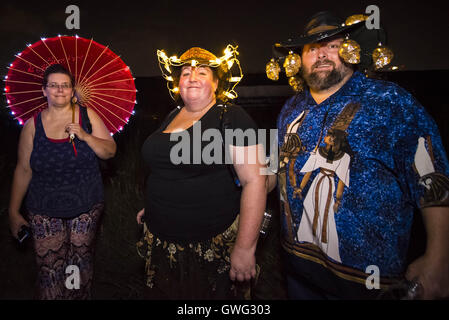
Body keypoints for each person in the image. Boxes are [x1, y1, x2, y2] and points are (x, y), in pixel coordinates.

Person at [267, 11, 449, 299]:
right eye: (312, 48)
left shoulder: (390, 101)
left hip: (370, 284)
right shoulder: (290, 109)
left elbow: (431, 177)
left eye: (332, 45)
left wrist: (440, 257)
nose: (322, 54)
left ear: (351, 51)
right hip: (299, 274)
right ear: (298, 59)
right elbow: (277, 169)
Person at [136, 46, 267, 299]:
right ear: (178, 83)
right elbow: (167, 168)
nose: (192, 77)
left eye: (203, 72)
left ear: (217, 83)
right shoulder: (172, 114)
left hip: (210, 244)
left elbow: (256, 181)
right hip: (162, 241)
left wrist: (244, 248)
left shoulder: (233, 116)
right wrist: (154, 205)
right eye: (185, 72)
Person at [8, 64, 116, 299]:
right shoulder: (32, 125)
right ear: (44, 91)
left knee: (78, 263)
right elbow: (24, 169)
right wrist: (13, 211)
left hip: (85, 204)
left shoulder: (87, 116)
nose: (59, 90)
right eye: (53, 85)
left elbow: (109, 152)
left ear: (72, 90)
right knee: (50, 269)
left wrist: (86, 136)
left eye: (65, 85)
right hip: (43, 207)